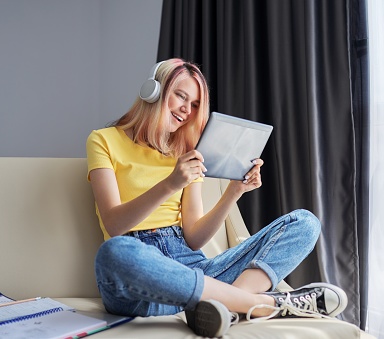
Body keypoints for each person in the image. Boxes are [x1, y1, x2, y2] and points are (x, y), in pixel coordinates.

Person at [86, 58, 348, 337]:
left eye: (195, 104)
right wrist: (171, 183)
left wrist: (234, 192)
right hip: (141, 281)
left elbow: (194, 238)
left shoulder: (187, 152)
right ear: (154, 91)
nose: (187, 110)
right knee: (112, 254)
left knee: (305, 222)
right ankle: (258, 304)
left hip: (193, 267)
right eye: (181, 96)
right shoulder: (103, 140)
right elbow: (114, 225)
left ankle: (217, 306)